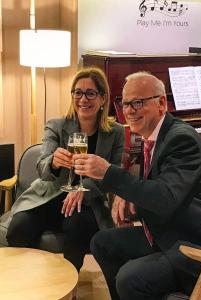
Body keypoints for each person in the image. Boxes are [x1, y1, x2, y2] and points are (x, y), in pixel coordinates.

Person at [72, 71, 201, 300]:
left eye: (137, 103)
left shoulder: (181, 139)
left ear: (161, 103)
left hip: (200, 245)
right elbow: (156, 183)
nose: (128, 111)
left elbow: (165, 198)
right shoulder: (152, 136)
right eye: (125, 104)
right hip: (169, 232)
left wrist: (108, 173)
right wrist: (128, 195)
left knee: (130, 278)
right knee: (102, 243)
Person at [5, 67, 124, 273]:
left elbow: (112, 175)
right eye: (77, 92)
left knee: (78, 229)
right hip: (49, 197)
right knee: (17, 230)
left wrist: (82, 187)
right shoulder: (57, 125)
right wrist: (53, 162)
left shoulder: (116, 132)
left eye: (90, 93)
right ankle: (28, 279)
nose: (83, 99)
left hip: (85, 202)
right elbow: (42, 168)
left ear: (103, 98)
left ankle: (70, 286)